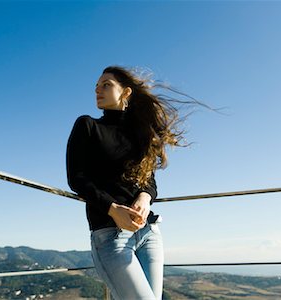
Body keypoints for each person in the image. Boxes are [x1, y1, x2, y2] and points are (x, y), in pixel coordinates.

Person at [66, 65, 208, 299]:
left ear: (126, 92)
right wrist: (112, 209)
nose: (97, 91)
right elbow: (76, 178)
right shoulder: (88, 125)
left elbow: (149, 180)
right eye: (96, 87)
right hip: (111, 235)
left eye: (106, 85)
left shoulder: (139, 132)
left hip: (149, 232)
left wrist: (145, 197)